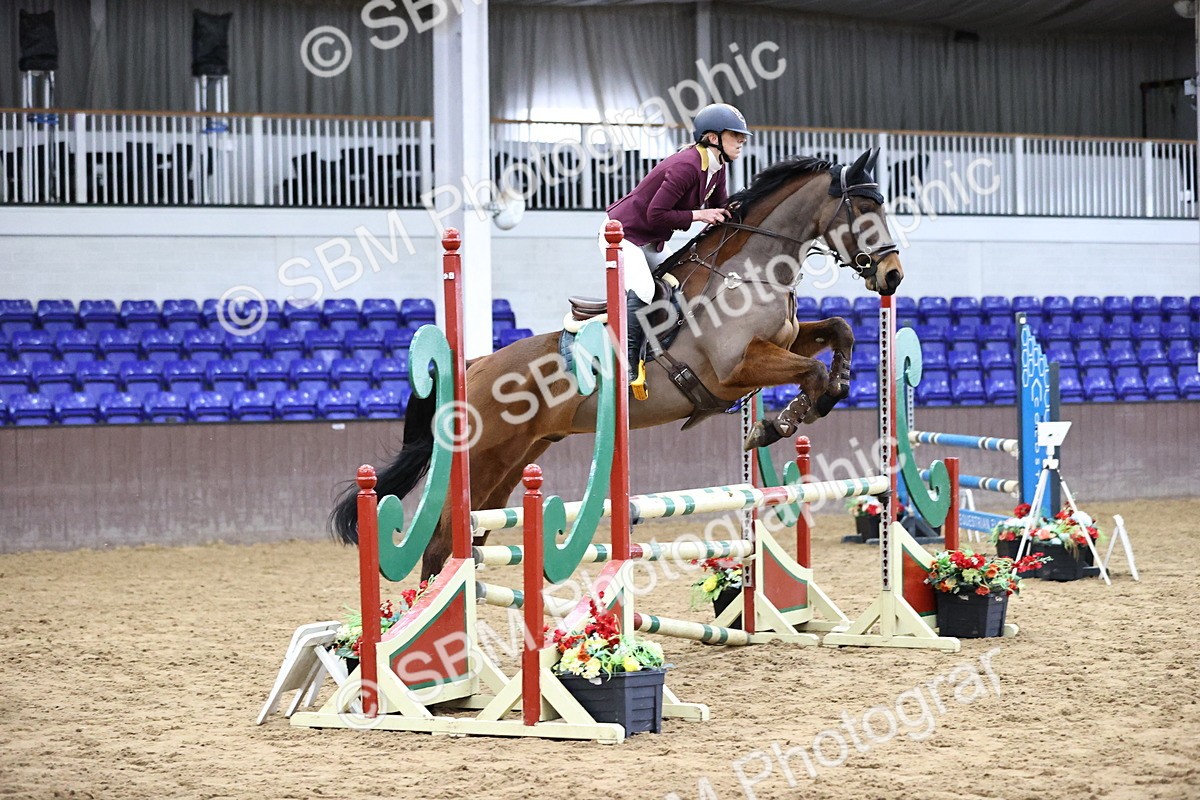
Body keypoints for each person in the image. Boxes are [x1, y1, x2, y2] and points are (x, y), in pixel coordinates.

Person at [601, 103, 750, 397]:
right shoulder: (686, 166)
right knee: (644, 291)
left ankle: (655, 352)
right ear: (713, 138)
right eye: (735, 135)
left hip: (648, 240)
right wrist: (699, 215)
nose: (742, 141)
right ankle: (628, 366)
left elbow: (720, 208)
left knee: (675, 286)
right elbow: (657, 214)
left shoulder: (715, 168)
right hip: (621, 235)